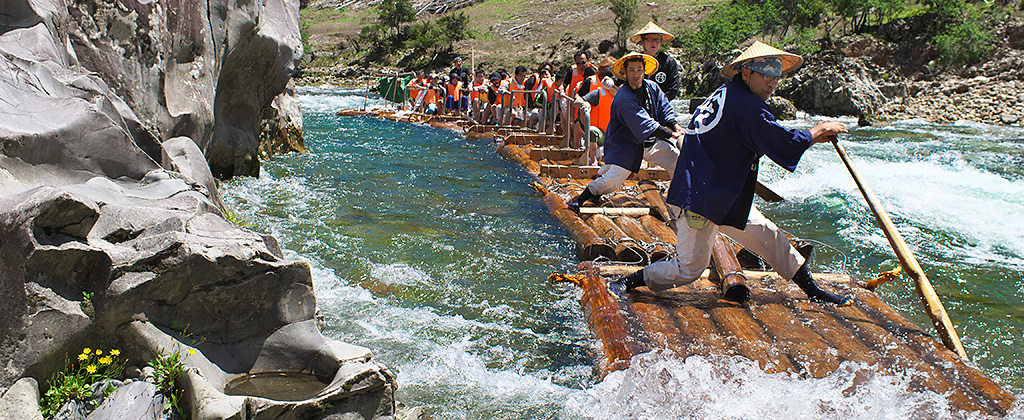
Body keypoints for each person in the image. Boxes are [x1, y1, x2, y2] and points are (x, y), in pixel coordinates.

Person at [610, 41, 852, 306]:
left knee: (767, 233)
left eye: (776, 77)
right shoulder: (747, 105)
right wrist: (816, 132)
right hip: (700, 197)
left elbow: (753, 137)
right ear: (746, 73)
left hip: (723, 190)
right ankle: (628, 281)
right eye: (766, 76)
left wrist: (810, 137)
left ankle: (813, 290)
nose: (772, 84)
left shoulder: (727, 93)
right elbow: (780, 141)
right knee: (688, 269)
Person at [567, 52, 683, 211]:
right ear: (625, 73)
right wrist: (671, 134)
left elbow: (665, 109)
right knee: (611, 181)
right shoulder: (623, 97)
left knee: (678, 162)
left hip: (652, 143)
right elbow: (643, 123)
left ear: (644, 71)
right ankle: (582, 198)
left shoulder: (653, 88)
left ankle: (679, 203)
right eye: (632, 70)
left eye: (639, 70)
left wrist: (675, 125)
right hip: (627, 146)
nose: (636, 74)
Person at [630, 21, 681, 101]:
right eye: (650, 39)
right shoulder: (634, 60)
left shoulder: (668, 62)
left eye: (657, 40)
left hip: (661, 105)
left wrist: (659, 103)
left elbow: (673, 89)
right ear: (642, 42)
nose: (654, 43)